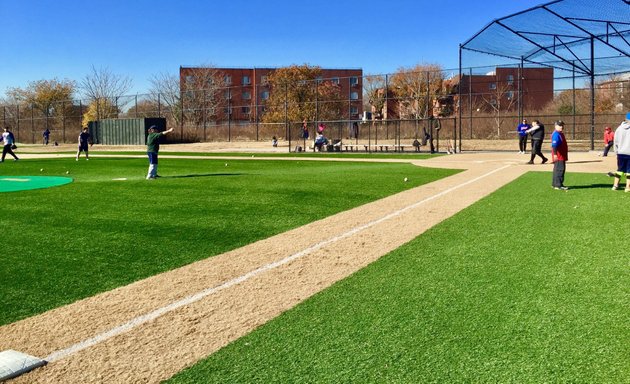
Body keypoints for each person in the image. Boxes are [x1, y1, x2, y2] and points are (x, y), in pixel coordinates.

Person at [608, 113, 630, 192]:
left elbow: (615, 141)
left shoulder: (619, 128)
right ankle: (627, 187)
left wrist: (616, 151)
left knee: (620, 169)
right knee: (629, 171)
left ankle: (615, 185)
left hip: (620, 153)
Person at [551, 120, 569, 190]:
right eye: (560, 125)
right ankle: (558, 185)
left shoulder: (559, 133)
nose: (561, 127)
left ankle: (555, 184)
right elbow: (554, 145)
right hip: (559, 156)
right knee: (560, 170)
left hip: (560, 155)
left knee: (557, 170)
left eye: (562, 125)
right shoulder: (556, 134)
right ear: (556, 126)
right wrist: (555, 154)